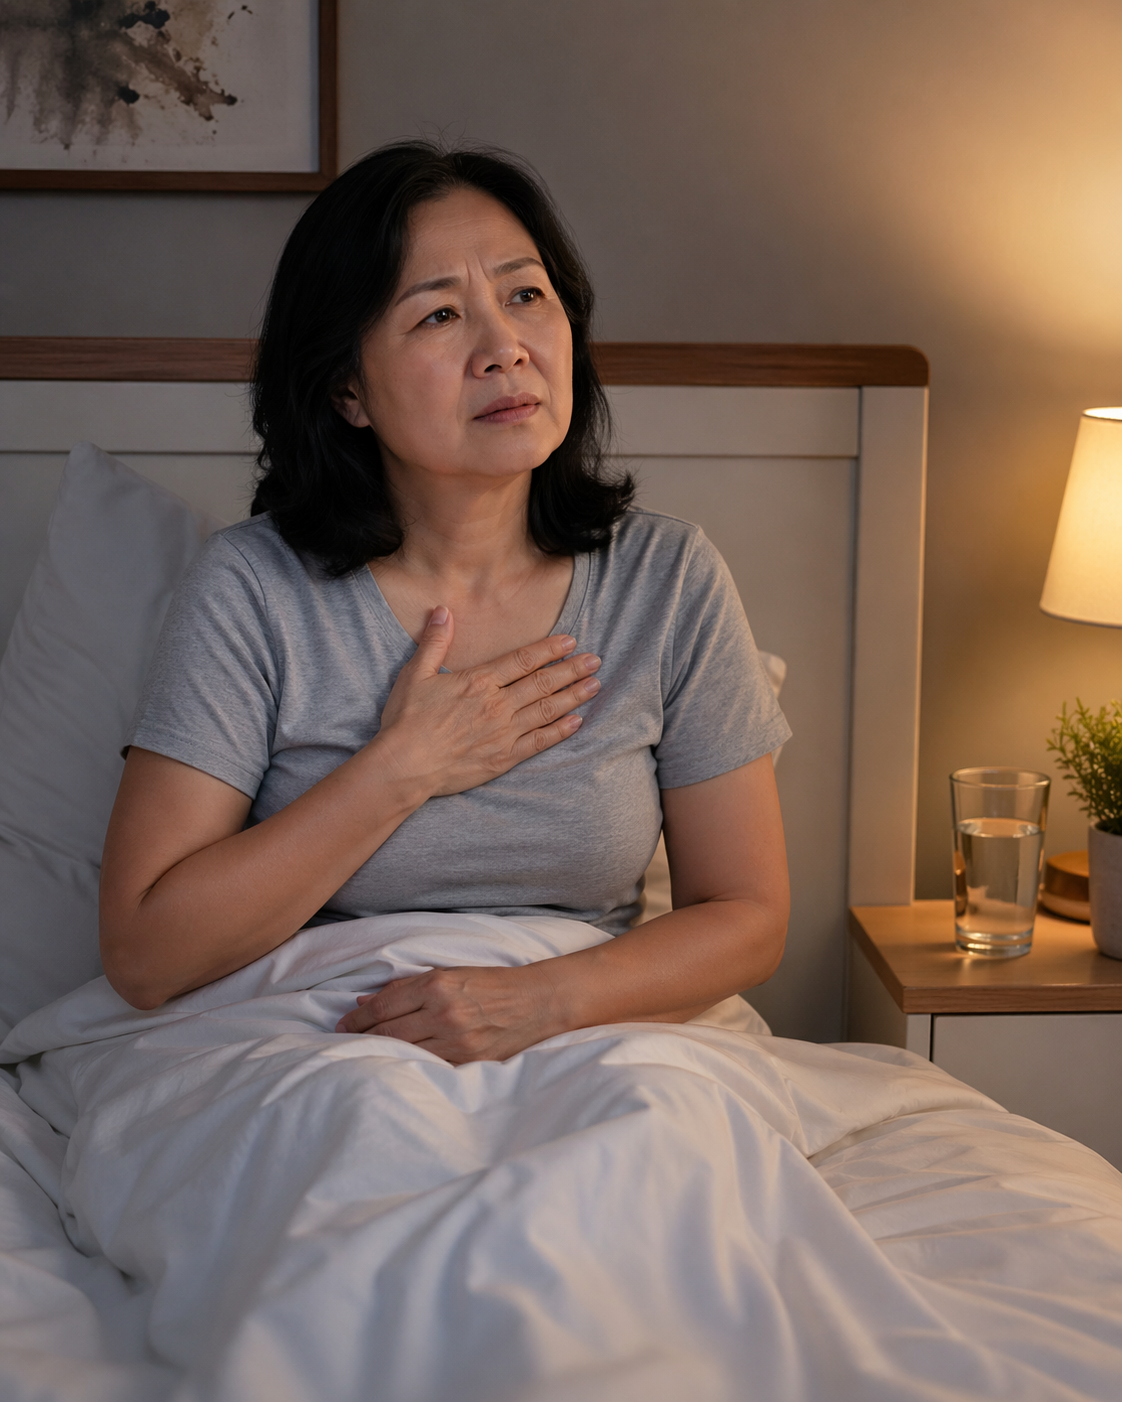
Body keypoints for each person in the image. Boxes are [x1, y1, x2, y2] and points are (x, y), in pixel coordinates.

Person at [98, 142, 791, 1063]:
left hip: (599, 1033)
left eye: (525, 295)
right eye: (437, 315)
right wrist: (402, 769)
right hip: (322, 1041)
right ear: (348, 388)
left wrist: (540, 1003)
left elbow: (747, 916)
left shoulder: (667, 578)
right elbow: (145, 956)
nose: (504, 347)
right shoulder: (253, 590)